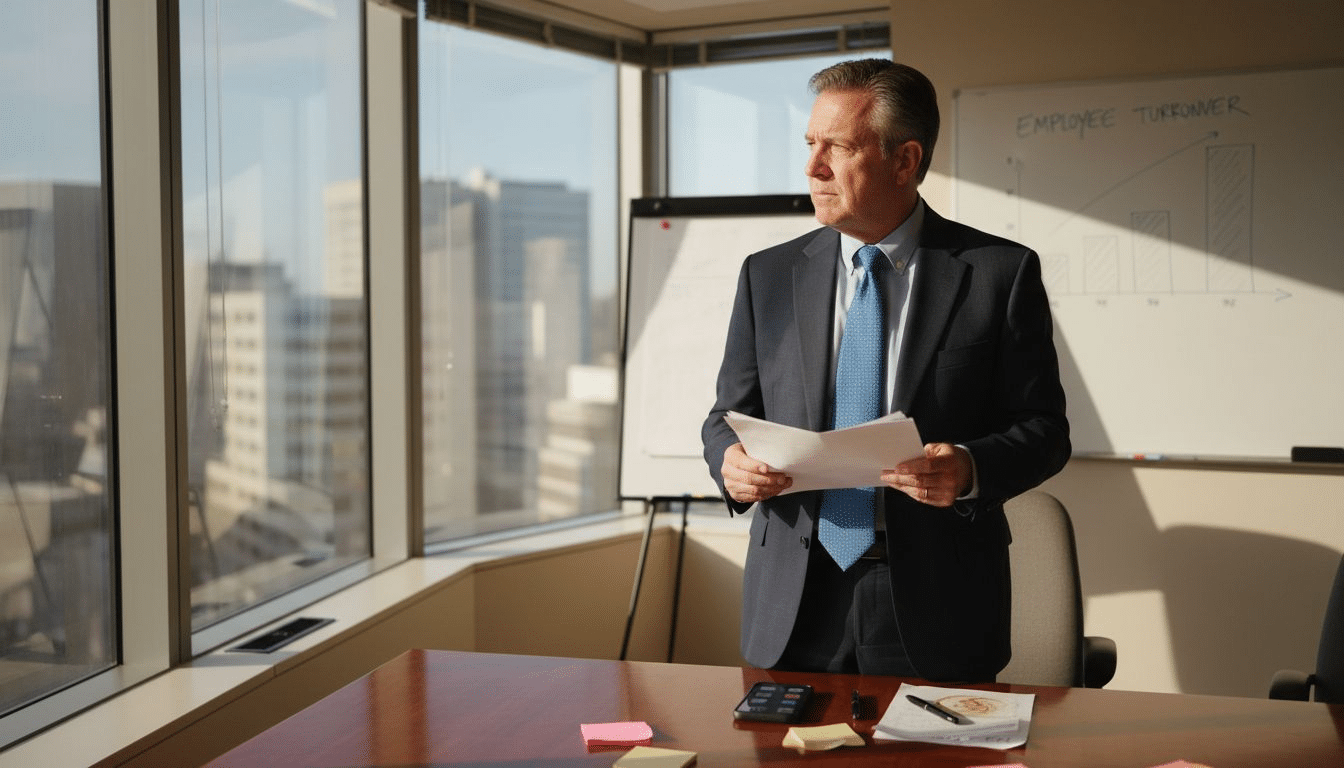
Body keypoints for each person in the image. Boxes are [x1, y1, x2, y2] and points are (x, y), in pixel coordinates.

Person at [701, 58, 1070, 683]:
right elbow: (725, 418)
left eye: (837, 147)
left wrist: (970, 468)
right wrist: (731, 465)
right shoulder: (767, 275)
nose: (813, 167)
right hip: (793, 594)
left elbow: (1044, 430)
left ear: (904, 160)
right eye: (810, 144)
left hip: (937, 597)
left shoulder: (999, 274)